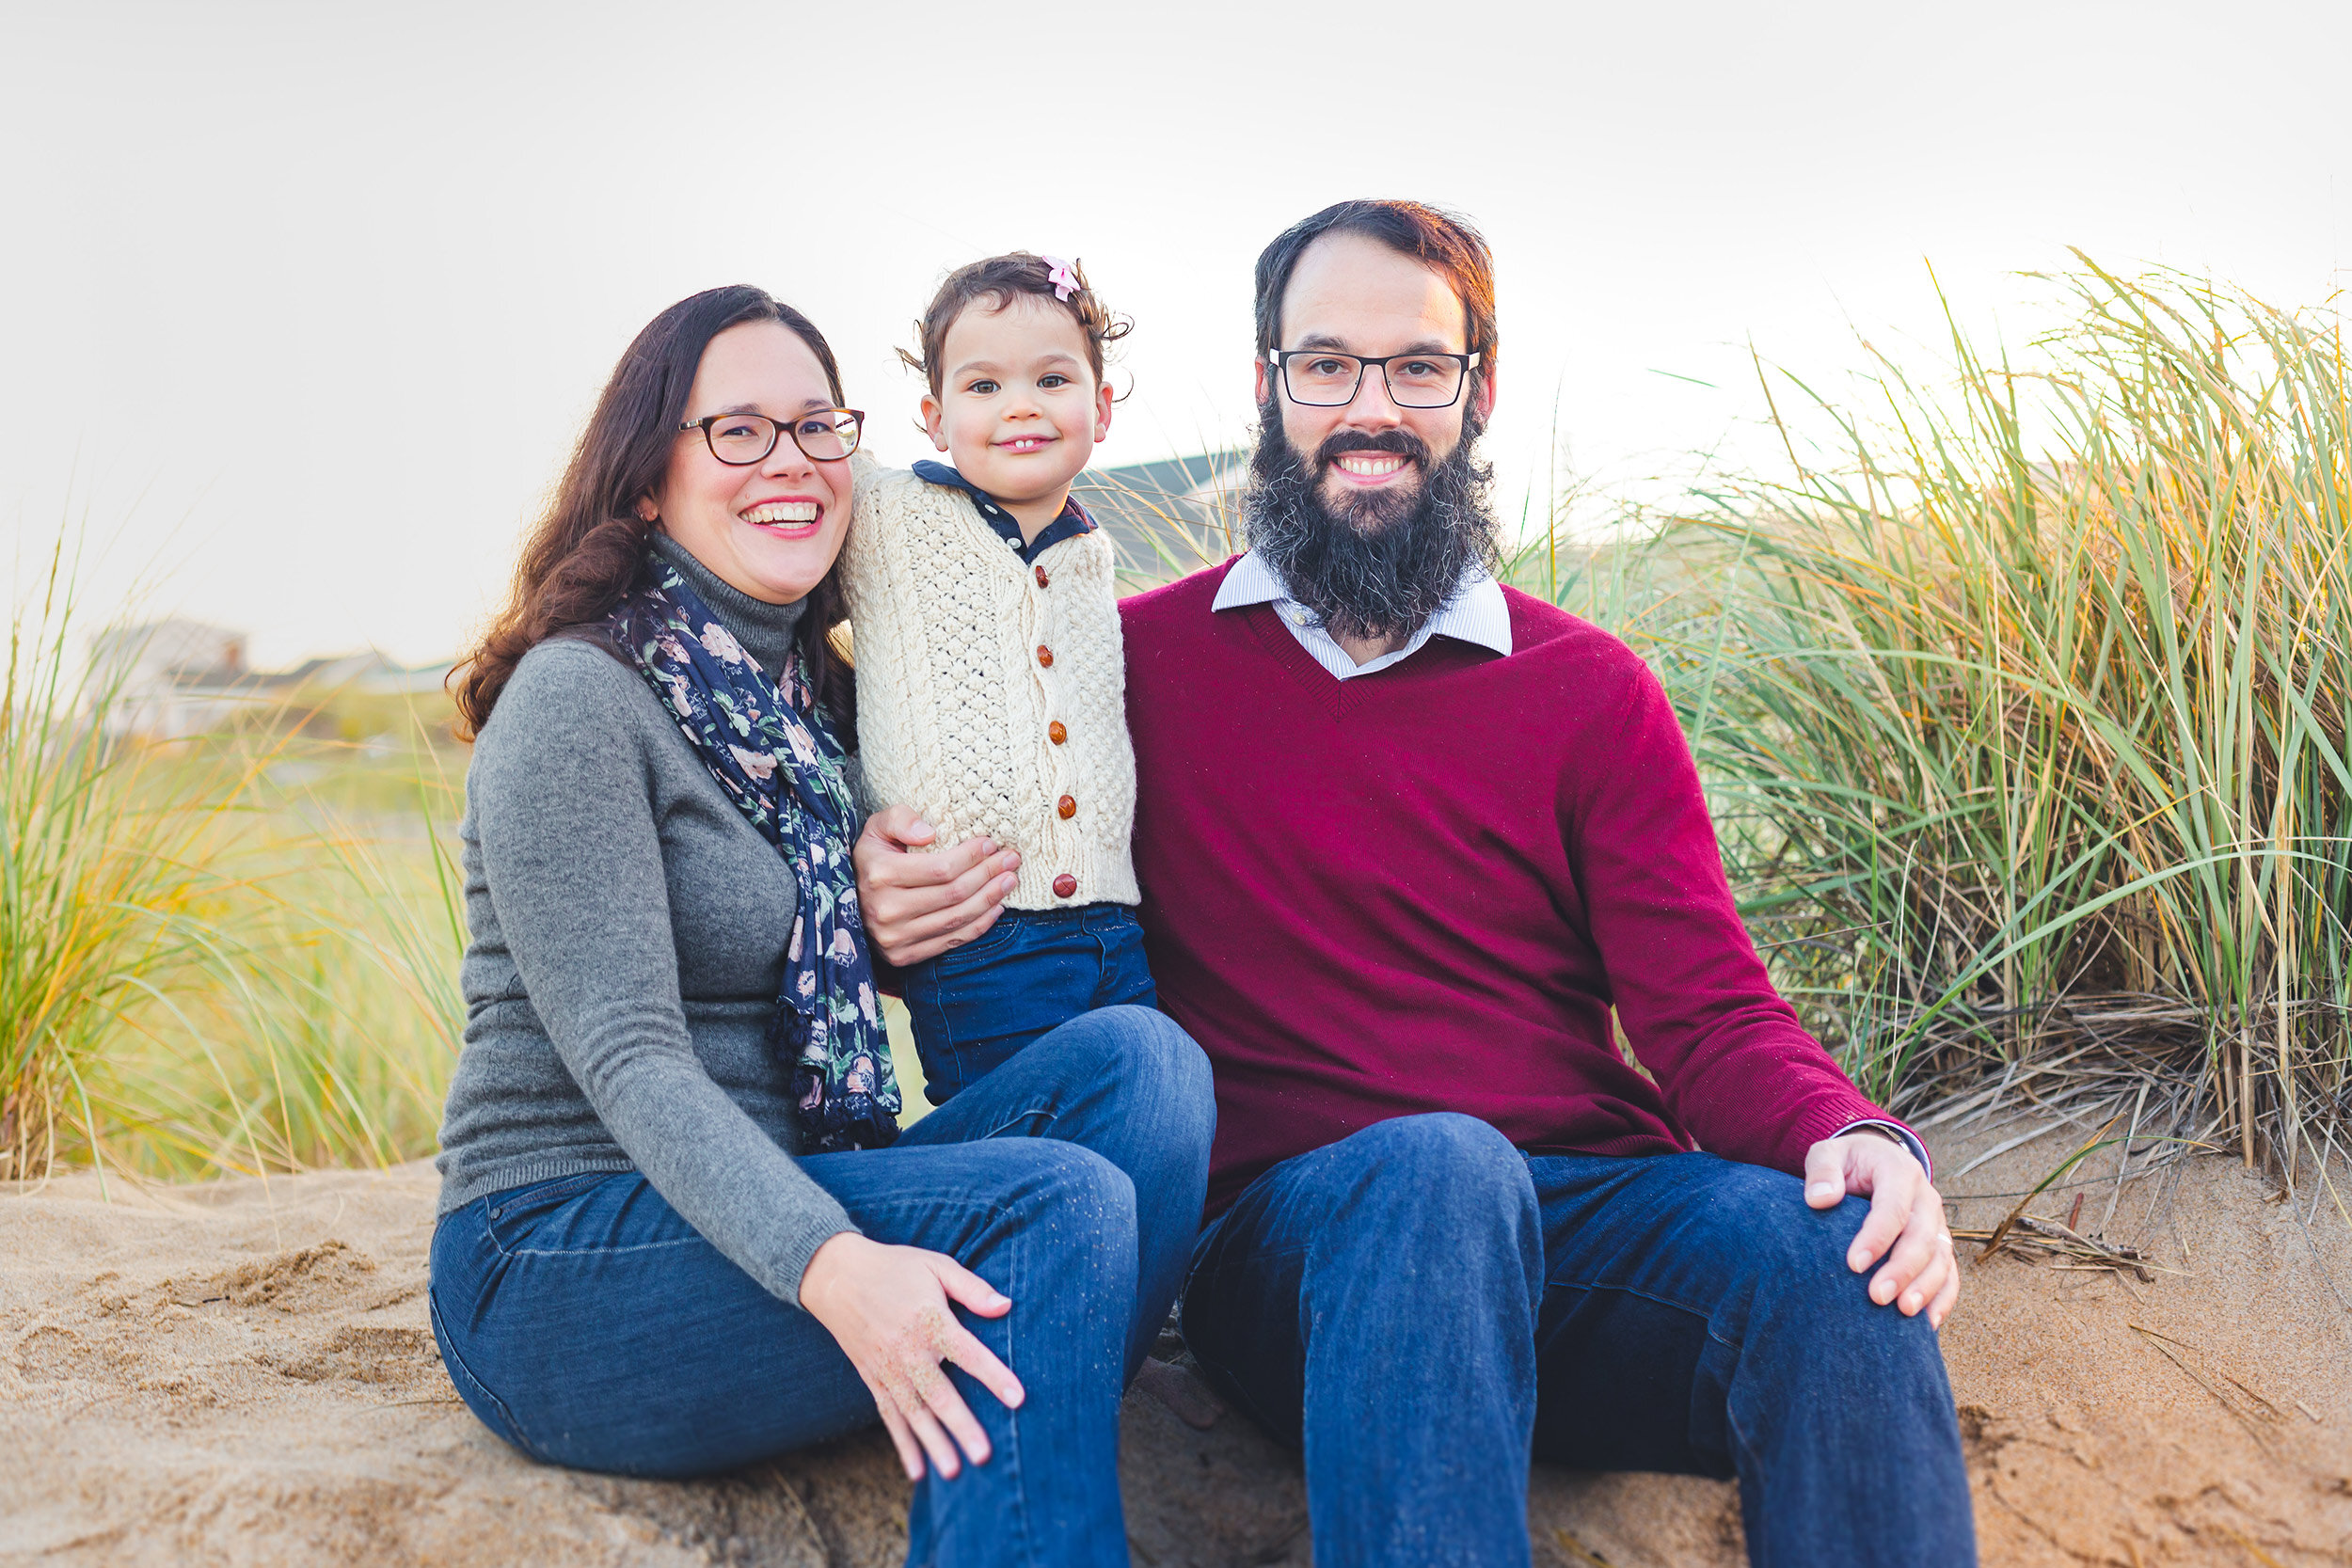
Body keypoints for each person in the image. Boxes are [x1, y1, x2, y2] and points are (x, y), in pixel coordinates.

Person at [855, 203, 1978, 1567]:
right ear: (1268, 387)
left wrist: (1848, 1128)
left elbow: (1708, 1014)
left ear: (1477, 390)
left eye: (1416, 367)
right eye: (1326, 365)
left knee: (1840, 1259)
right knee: (1437, 1164)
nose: (1369, 408)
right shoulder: (1121, 665)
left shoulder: (1590, 690)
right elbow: (993, 844)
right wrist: (888, 890)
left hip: (1578, 1236)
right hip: (1301, 1256)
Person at [430, 284, 1213, 1568]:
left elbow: (828, 971)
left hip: (785, 1191)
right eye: (736, 431)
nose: (788, 461)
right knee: (1051, 1205)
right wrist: (836, 1263)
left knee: (1148, 1063)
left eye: (814, 426)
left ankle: (1014, 1374)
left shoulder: (816, 707)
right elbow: (628, 1059)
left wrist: (893, 924)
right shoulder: (581, 699)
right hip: (565, 1254)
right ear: (645, 482)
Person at [842, 254, 1152, 1104]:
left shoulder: (1090, 552)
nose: (1020, 405)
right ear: (935, 418)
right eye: (983, 387)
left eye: (1052, 378)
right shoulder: (887, 513)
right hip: (977, 931)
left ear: (1101, 407)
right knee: (1027, 1138)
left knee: (1144, 1114)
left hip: (1114, 929)